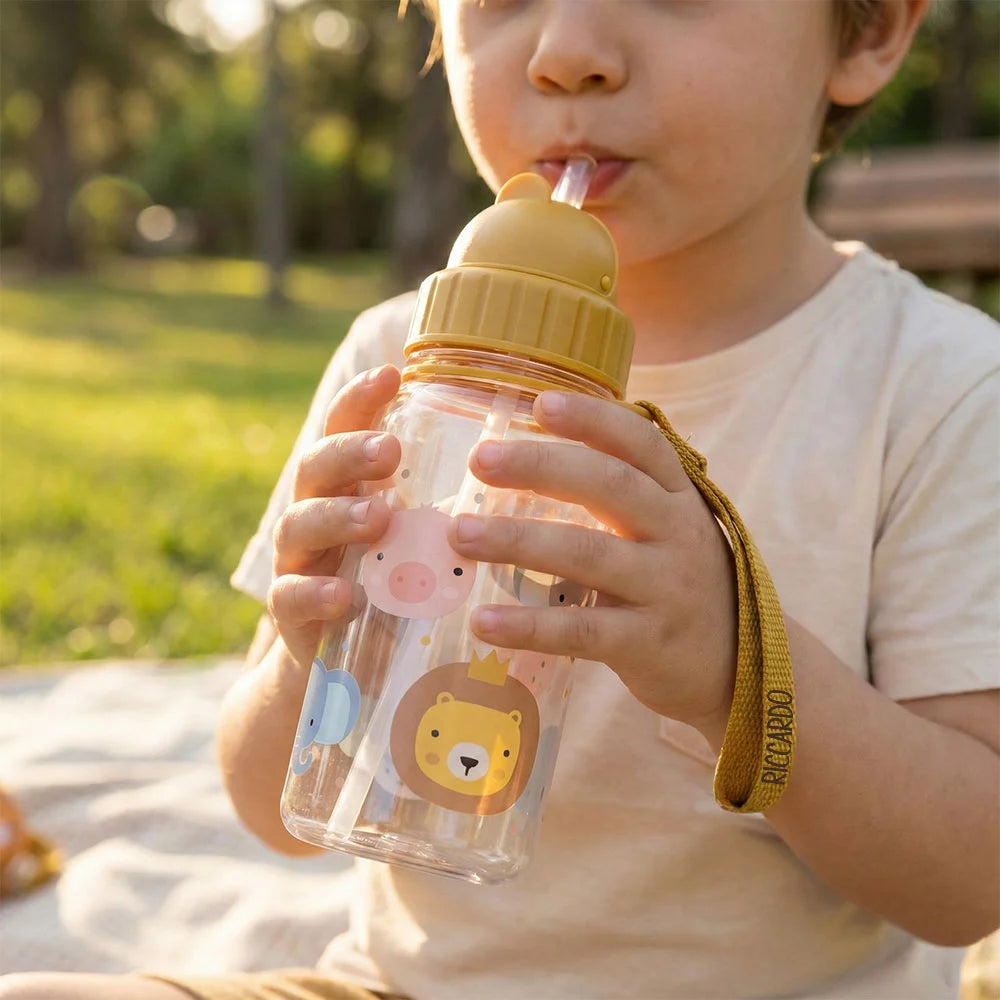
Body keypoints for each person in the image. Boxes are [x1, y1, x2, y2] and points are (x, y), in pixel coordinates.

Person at [3, 1, 998, 998]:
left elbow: (971, 877)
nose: (565, 53)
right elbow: (269, 809)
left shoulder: (936, 391)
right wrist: (310, 650)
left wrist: (737, 668)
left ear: (866, 34)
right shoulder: (401, 367)